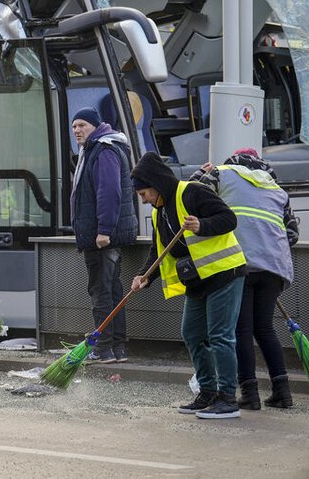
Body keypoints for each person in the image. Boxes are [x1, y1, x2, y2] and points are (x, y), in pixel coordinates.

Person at [129, 151, 247, 419]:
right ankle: (207, 391)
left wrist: (201, 225)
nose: (144, 199)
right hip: (197, 280)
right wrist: (144, 276)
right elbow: (159, 251)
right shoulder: (160, 213)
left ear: (156, 184)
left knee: (219, 336)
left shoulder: (192, 192)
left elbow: (229, 219)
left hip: (224, 273)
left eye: (144, 193)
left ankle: (227, 397)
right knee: (192, 333)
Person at [191, 148, 298, 410]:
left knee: (241, 330)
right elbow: (292, 235)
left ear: (233, 162)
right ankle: (283, 393)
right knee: (264, 329)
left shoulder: (221, 174)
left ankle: (250, 395)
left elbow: (190, 194)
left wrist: (201, 172)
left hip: (241, 264)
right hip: (275, 268)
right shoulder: (276, 189)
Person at [70, 107, 137, 364]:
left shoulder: (104, 149)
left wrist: (104, 230)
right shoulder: (99, 148)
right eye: (74, 126)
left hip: (102, 236)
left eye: (82, 125)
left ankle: (103, 348)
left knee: (101, 290)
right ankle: (117, 348)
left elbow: (109, 192)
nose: (77, 130)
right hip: (105, 234)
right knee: (112, 289)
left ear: (96, 126)